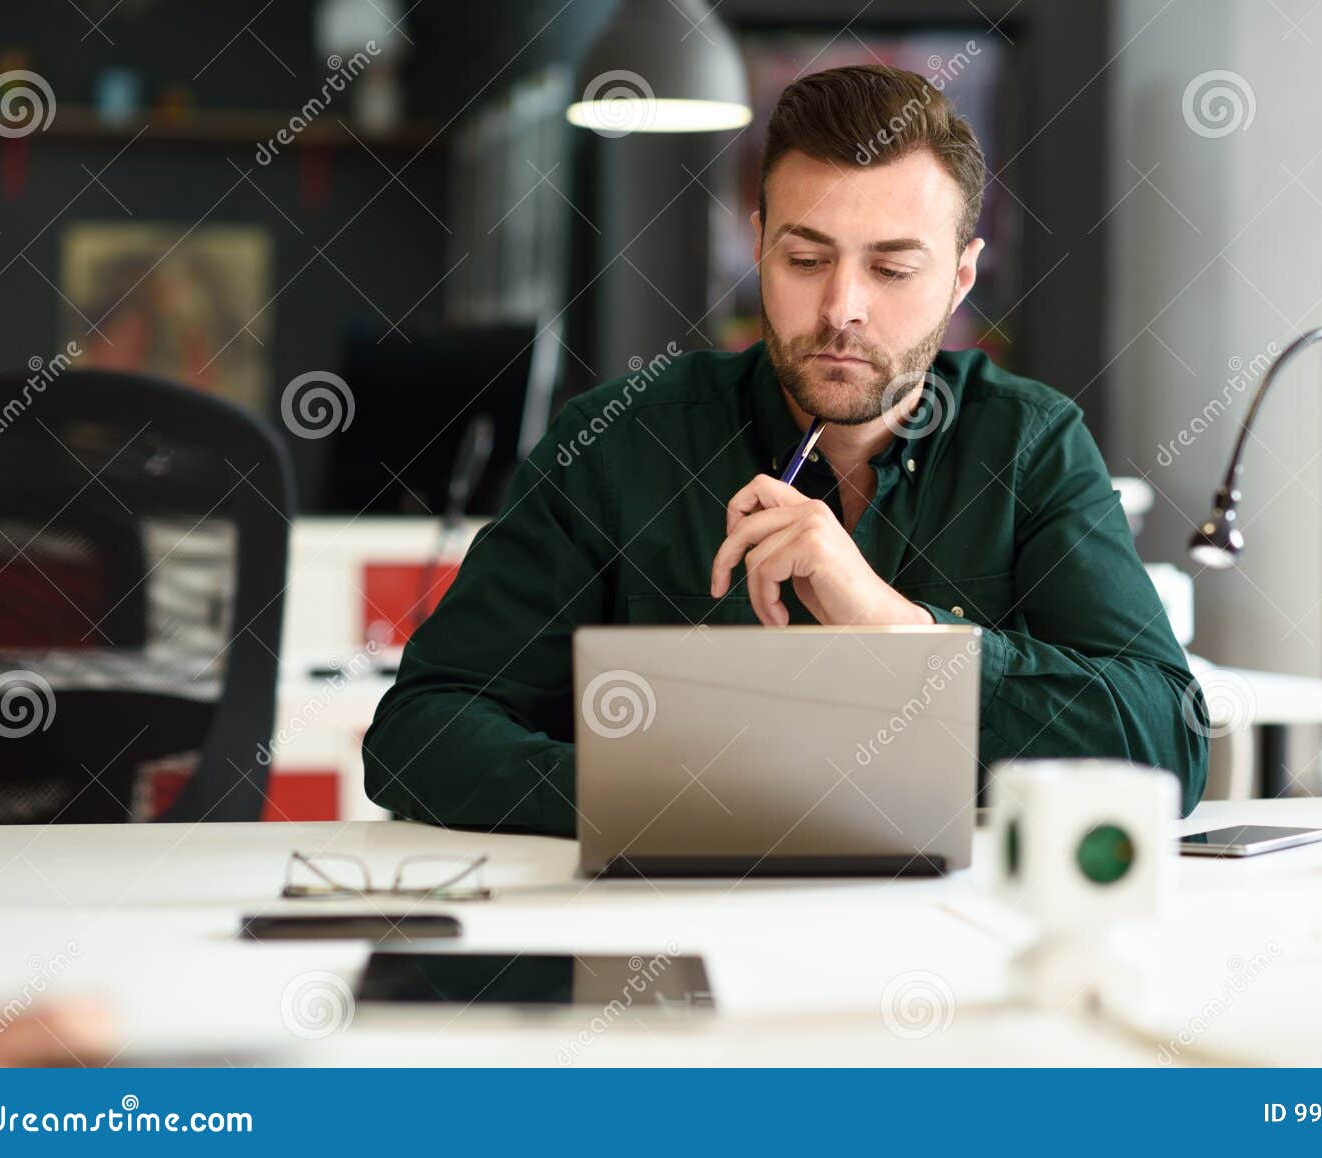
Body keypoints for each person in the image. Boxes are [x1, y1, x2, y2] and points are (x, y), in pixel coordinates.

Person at [362, 64, 1208, 834]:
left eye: (892, 270)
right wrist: (656, 798)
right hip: (666, 933)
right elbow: (419, 731)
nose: (842, 307)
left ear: (961, 275)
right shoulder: (618, 440)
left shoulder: (1029, 442)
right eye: (806, 258)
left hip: (949, 948)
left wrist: (890, 624)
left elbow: (1166, 737)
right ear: (761, 244)